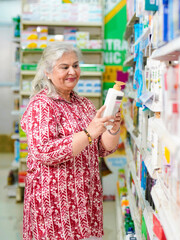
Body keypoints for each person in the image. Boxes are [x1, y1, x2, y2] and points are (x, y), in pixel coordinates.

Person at [21, 42, 122, 240]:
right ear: (47, 72)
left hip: (84, 201)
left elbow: (103, 149)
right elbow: (45, 152)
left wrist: (113, 127)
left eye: (75, 65)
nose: (72, 72)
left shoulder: (83, 103)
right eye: (64, 67)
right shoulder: (41, 105)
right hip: (54, 207)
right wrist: (89, 132)